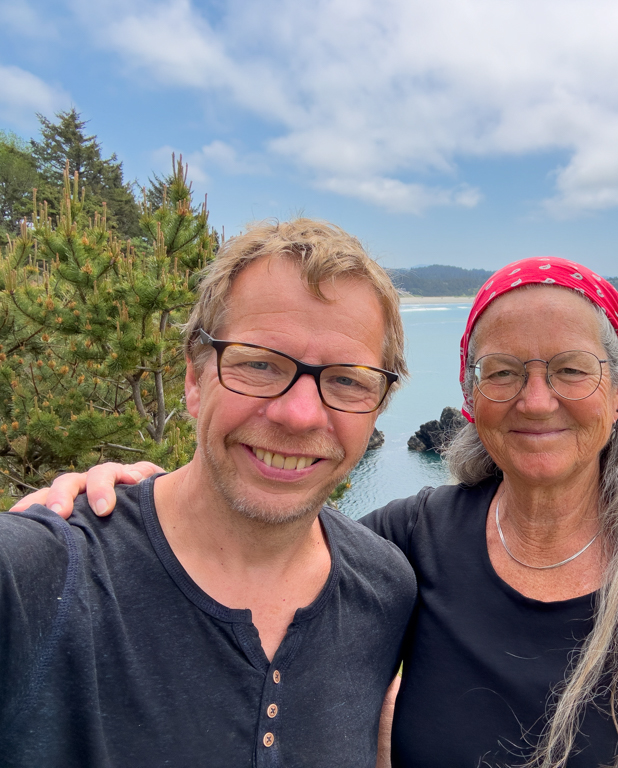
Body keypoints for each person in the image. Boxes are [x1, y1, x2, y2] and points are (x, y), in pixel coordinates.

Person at [21, 257, 618, 767]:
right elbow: (268, 559)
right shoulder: (407, 543)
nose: (536, 400)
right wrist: (141, 500)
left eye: (570, 369)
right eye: (503, 372)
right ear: (470, 396)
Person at [0, 219, 417, 766]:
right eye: (259, 364)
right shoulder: (40, 576)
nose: (298, 414)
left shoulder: (384, 589)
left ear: (377, 405)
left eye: (347, 380)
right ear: (195, 380)